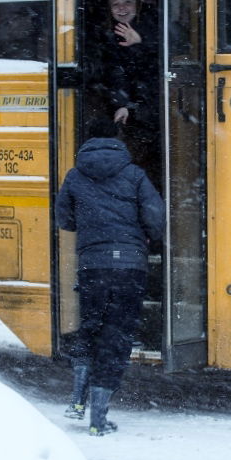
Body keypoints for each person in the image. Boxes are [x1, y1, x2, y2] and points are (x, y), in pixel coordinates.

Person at [56, 116, 165, 436]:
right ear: (119, 142)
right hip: (129, 266)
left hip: (93, 265)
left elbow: (64, 218)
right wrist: (148, 237)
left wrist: (91, 228)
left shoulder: (75, 176)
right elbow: (155, 217)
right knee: (116, 338)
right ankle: (98, 417)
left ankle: (78, 397)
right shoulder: (134, 175)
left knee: (90, 329)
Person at [96, 0, 161, 189]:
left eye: (127, 2)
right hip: (125, 109)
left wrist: (141, 43)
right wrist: (122, 104)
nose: (122, 8)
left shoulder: (155, 24)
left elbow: (159, 70)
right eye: (115, 4)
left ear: (138, 3)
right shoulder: (106, 33)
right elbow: (113, 75)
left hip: (152, 108)